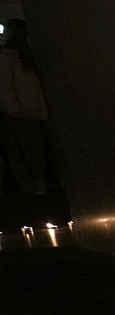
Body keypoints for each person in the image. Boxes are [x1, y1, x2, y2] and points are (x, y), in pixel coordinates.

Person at [0, 18, 50, 195]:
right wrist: (15, 109)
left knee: (26, 156)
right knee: (30, 155)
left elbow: (5, 86)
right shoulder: (17, 57)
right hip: (24, 113)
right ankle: (35, 192)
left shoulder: (12, 57)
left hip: (23, 112)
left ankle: (33, 192)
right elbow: (5, 86)